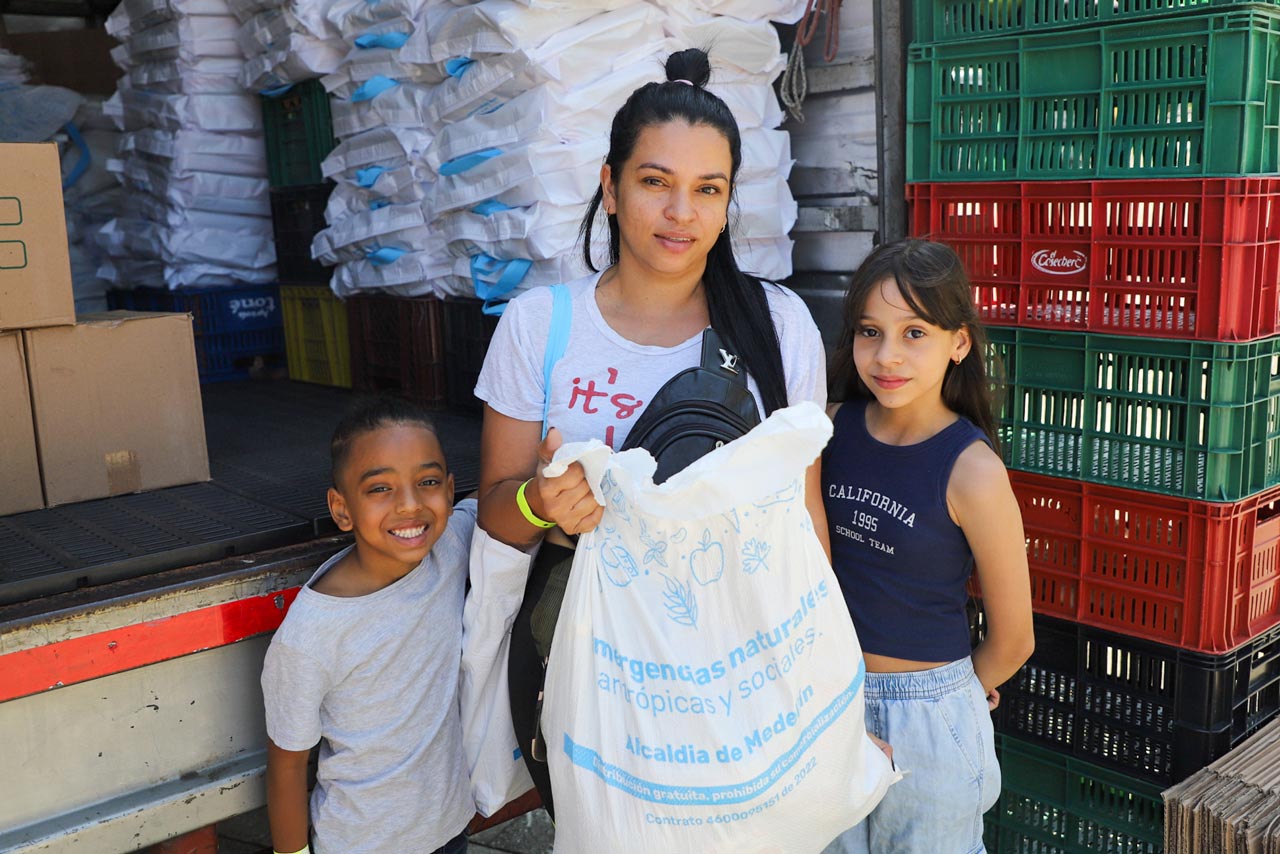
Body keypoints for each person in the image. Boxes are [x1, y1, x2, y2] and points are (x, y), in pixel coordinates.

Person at [473, 48, 831, 815]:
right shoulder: (542, 326)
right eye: (655, 183)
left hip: (741, 670)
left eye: (708, 190)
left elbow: (805, 524)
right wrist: (542, 502)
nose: (682, 214)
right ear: (610, 186)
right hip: (589, 684)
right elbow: (497, 515)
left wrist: (828, 689)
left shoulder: (778, 327)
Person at [821, 239, 1035, 853]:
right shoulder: (828, 427)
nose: (887, 356)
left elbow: (1015, 636)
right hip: (825, 704)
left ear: (959, 343)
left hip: (929, 722)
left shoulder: (972, 470)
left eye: (915, 334)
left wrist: (958, 697)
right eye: (870, 331)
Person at [261, 396, 474, 854]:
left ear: (451, 492)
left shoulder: (453, 543)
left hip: (450, 828)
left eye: (428, 481)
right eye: (380, 489)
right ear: (341, 510)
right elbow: (287, 764)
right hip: (361, 843)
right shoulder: (311, 634)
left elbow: (505, 508)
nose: (410, 505)